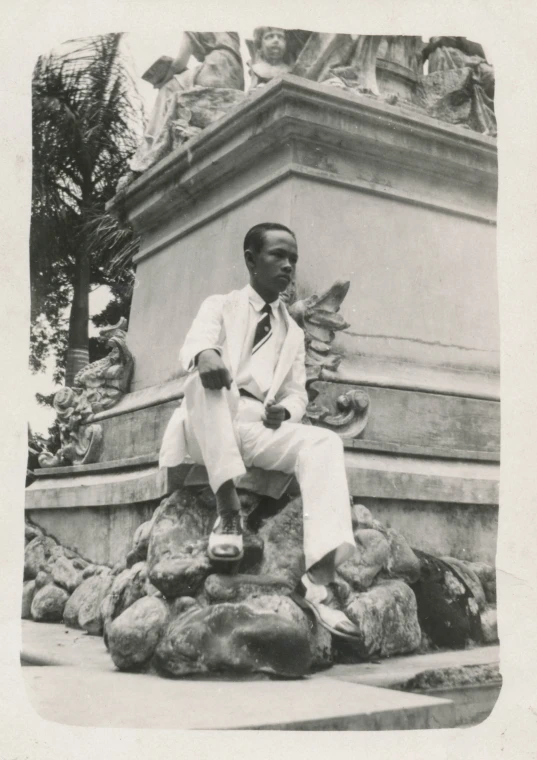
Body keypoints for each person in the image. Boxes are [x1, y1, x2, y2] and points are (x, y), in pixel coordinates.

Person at [159, 222, 361, 639]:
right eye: (278, 256)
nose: (288, 266)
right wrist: (207, 354)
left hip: (257, 427)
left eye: (293, 259)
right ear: (251, 260)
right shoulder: (221, 305)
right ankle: (228, 512)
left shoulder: (293, 331)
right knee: (203, 377)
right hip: (210, 420)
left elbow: (297, 395)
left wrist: (284, 414)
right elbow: (193, 345)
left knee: (323, 440)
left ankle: (319, 584)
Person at [123, 32, 244, 181]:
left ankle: (149, 150)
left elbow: (179, 63)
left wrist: (161, 83)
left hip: (214, 69)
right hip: (235, 74)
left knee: (167, 89)